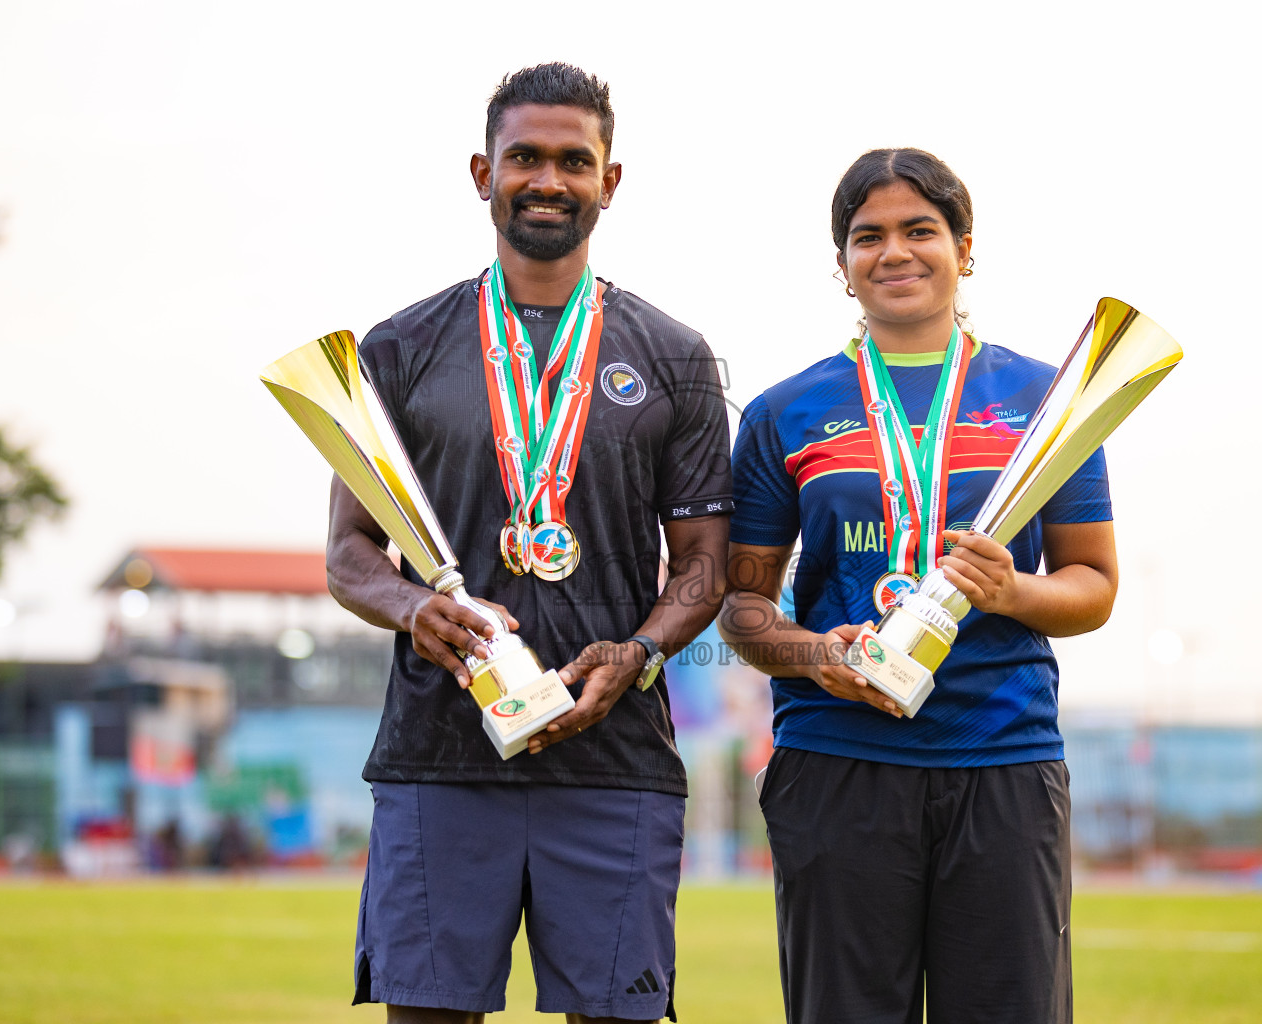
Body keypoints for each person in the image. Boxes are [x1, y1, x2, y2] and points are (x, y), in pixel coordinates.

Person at [327, 63, 733, 1024]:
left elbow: (705, 566)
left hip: (614, 759)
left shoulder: (675, 356)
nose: (548, 180)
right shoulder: (397, 349)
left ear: (609, 181)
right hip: (441, 754)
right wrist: (414, 607)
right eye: (524, 158)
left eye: (573, 161)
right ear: (484, 173)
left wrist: (638, 654)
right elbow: (349, 553)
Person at [719, 148, 1118, 1024]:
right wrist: (815, 655)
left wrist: (1012, 593)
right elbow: (742, 609)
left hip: (1001, 757)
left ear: (964, 249)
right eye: (868, 237)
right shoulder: (784, 412)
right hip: (837, 762)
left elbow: (1092, 585)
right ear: (842, 263)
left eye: (919, 230)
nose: (894, 252)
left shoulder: (1046, 400)